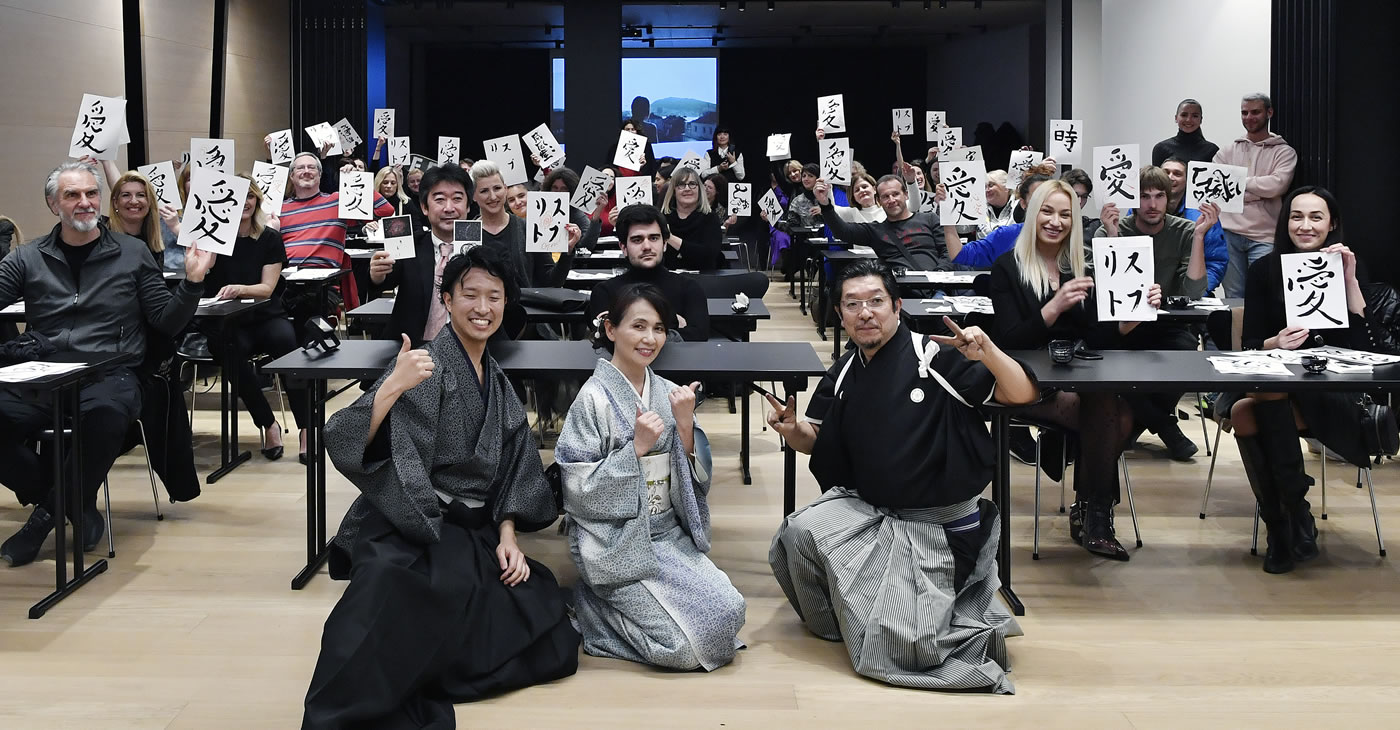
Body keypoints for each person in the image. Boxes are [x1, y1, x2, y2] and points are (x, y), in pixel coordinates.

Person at [304, 246, 580, 727]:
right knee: (394, 592)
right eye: (469, 295)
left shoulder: (494, 376)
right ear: (447, 301)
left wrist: (509, 536)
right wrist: (391, 385)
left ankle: (427, 667)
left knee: (546, 619)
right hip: (410, 520)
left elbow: (514, 466)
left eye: (494, 297)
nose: (483, 307)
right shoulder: (424, 365)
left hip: (475, 528)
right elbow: (344, 435)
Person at [765, 258, 1037, 693]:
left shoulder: (936, 356)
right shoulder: (844, 371)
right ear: (840, 315)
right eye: (852, 304)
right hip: (872, 512)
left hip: (939, 528)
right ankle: (845, 623)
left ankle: (889, 622)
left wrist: (988, 353)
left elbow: (1020, 393)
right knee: (797, 535)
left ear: (897, 305)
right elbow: (815, 439)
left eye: (875, 301)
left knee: (899, 649)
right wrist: (792, 429)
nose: (864, 312)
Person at [0, 161, 215, 566]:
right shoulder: (27, 258)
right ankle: (72, 504)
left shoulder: (131, 253)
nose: (85, 203)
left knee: (106, 417)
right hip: (44, 374)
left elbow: (165, 322)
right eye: (72, 195)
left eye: (91, 194)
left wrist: (191, 283)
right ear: (53, 205)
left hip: (109, 374)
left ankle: (42, 521)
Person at [556, 284, 744, 671]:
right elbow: (576, 489)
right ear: (610, 330)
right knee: (682, 648)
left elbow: (697, 480)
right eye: (638, 326)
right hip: (614, 541)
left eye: (658, 328)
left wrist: (686, 424)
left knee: (731, 613)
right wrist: (635, 450)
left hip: (666, 533)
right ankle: (592, 609)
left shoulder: (669, 392)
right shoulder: (591, 400)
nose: (649, 338)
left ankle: (612, 603)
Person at [989, 179, 1163, 560]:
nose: (1056, 221)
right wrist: (1054, 307)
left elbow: (1100, 337)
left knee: (1112, 407)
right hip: (1026, 382)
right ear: (1034, 214)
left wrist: (1135, 314)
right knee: (1114, 412)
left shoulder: (1079, 264)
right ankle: (1094, 517)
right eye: (1048, 212)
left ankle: (1091, 509)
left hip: (1078, 377)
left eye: (1065, 214)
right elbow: (1009, 340)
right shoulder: (1007, 268)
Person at [1220, 187, 1379, 574]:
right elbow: (1251, 344)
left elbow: (1367, 345)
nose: (1305, 226)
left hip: (1332, 392)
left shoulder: (1346, 267)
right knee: (1256, 399)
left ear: (1332, 224)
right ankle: (1289, 519)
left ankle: (1285, 522)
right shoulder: (1264, 270)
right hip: (1278, 381)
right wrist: (1276, 342)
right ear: (1284, 221)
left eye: (1315, 217)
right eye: (1296, 216)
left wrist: (1351, 280)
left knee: (1245, 413)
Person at [1097, 166, 1212, 461]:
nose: (1151, 204)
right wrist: (1112, 236)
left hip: (1168, 324)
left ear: (1169, 198)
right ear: (1133, 199)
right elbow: (1108, 289)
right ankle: (1166, 427)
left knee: (1188, 354)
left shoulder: (1185, 230)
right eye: (1144, 196)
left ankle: (1136, 423)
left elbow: (1195, 291)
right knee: (1108, 358)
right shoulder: (1111, 228)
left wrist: (1199, 236)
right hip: (1123, 323)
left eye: (1159, 196)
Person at [198, 175, 309, 462]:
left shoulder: (269, 238)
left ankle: (306, 428)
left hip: (265, 315)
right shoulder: (213, 237)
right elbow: (200, 276)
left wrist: (240, 290)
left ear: (256, 200)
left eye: (249, 196)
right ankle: (268, 423)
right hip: (229, 321)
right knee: (226, 350)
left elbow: (267, 289)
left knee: (287, 343)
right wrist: (206, 254)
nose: (243, 203)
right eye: (236, 197)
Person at [368, 163, 480, 345]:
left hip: (470, 349)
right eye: (439, 199)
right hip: (413, 349)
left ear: (468, 206)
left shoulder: (483, 249)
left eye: (457, 199)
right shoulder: (409, 245)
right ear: (424, 207)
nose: (449, 208)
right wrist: (377, 275)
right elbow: (385, 280)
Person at [276, 148, 393, 315]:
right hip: (284, 283)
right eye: (300, 168)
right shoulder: (279, 209)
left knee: (303, 311)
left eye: (312, 167)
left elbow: (385, 210)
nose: (307, 171)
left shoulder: (337, 201)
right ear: (291, 176)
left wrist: (355, 179)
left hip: (320, 286)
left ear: (320, 175)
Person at [1214, 93, 1298, 298]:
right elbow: (1217, 188)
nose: (1249, 117)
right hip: (1229, 233)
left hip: (1265, 236)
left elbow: (1277, 186)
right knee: (1234, 297)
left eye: (1255, 112)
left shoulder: (1284, 152)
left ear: (1269, 113)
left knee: (1264, 295)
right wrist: (1259, 191)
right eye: (1244, 112)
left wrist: (1237, 183)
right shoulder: (1227, 151)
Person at [586, 204, 709, 341]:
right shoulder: (604, 292)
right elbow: (605, 341)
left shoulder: (690, 289)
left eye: (654, 238)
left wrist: (629, 328)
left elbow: (698, 339)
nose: (647, 246)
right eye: (637, 240)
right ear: (624, 247)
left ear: (665, 244)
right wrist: (672, 322)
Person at [470, 159, 581, 289]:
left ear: (505, 189)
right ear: (473, 195)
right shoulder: (466, 231)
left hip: (524, 307)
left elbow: (552, 282)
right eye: (484, 191)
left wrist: (567, 252)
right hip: (480, 308)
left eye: (497, 188)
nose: (493, 196)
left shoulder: (529, 227)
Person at [817, 174, 952, 272]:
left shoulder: (930, 219)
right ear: (880, 201)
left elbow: (947, 250)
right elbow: (842, 231)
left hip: (936, 286)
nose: (891, 200)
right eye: (885, 197)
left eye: (895, 194)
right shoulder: (875, 230)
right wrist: (825, 204)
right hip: (897, 290)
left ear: (905, 195)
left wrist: (940, 274)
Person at [944, 170, 1053, 268]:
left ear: (1007, 187)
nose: (987, 190)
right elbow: (960, 252)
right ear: (1024, 204)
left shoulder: (1016, 208)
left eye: (991, 185)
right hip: (987, 266)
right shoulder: (1007, 234)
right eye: (985, 187)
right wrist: (947, 206)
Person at [1162, 156, 1228, 292]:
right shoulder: (1141, 209)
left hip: (1191, 293)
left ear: (1188, 180)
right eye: (1165, 172)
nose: (1170, 177)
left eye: (1177, 173)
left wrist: (1200, 290)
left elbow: (1216, 261)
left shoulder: (1203, 214)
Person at [658, 166, 724, 270]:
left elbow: (709, 255)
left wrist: (670, 238)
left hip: (702, 279)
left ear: (700, 189)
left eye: (692, 184)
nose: (687, 189)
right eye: (681, 185)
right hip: (668, 278)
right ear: (674, 191)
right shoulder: (662, 218)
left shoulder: (710, 217)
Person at [1151, 98, 1221, 166]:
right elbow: (1157, 178)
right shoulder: (1161, 148)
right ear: (1176, 118)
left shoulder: (1212, 150)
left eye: (1195, 116)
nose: (1188, 120)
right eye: (1184, 115)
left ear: (1201, 120)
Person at [1061, 167, 1102, 240]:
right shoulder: (1051, 224)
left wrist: (1111, 232)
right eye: (1075, 195)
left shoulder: (1093, 227)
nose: (1079, 201)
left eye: (1084, 196)